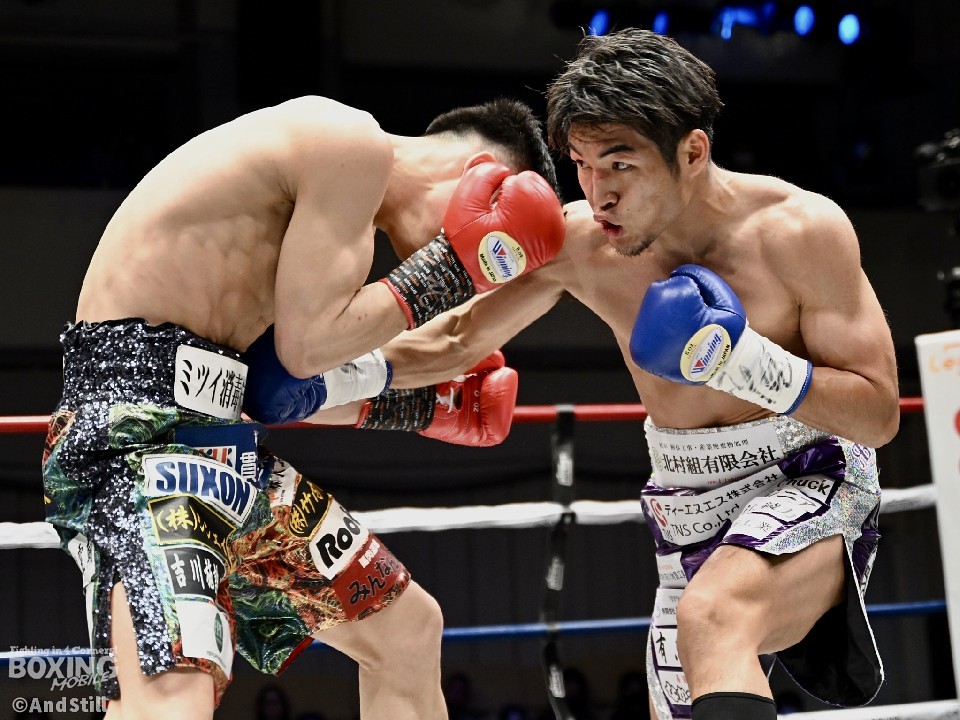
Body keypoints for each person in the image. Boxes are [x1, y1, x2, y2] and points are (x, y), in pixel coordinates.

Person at [358, 28, 898, 720]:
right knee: (692, 668)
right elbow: (455, 341)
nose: (598, 193)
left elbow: (878, 413)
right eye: (582, 165)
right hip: (685, 505)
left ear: (692, 152)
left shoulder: (798, 232)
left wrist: (747, 365)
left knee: (715, 616)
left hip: (810, 474)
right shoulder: (580, 244)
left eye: (621, 164)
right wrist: (325, 380)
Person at [40, 94, 564, 720]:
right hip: (137, 433)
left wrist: (411, 405)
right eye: (492, 249)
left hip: (221, 446)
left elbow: (275, 386)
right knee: (174, 696)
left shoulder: (332, 230)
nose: (482, 273)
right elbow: (310, 346)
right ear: (483, 176)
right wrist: (454, 267)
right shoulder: (350, 141)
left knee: (406, 633)